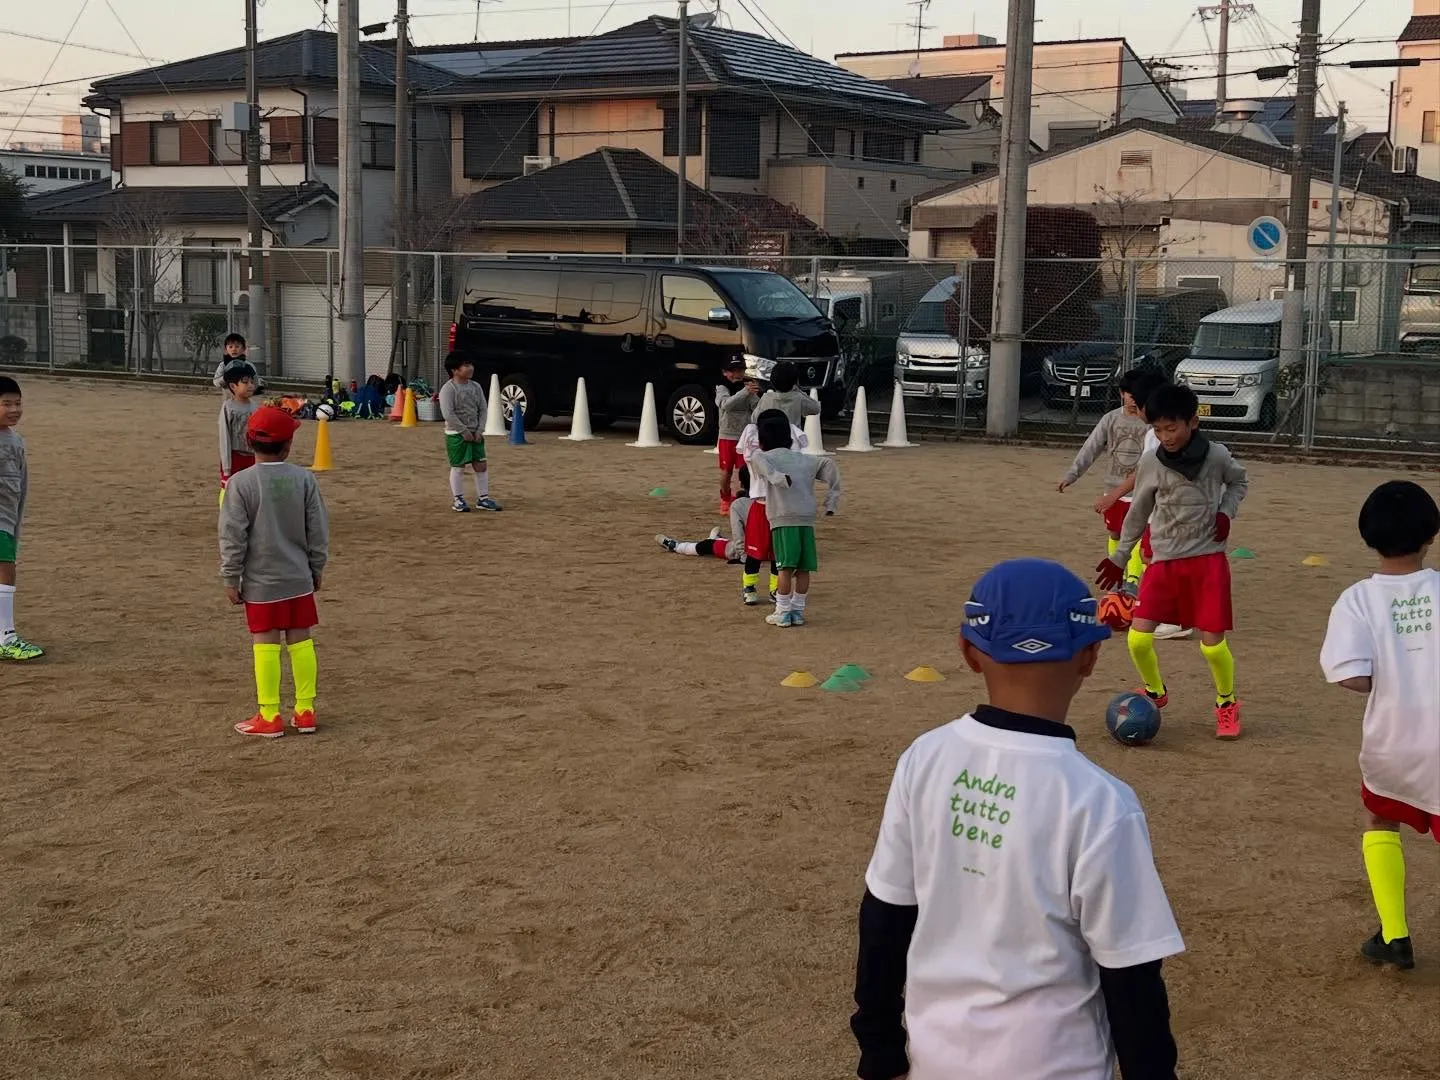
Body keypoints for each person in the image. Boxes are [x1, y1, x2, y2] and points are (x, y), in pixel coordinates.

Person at [853, 558, 1184, 1080]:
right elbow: (1132, 977)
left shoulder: (925, 758)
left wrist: (879, 1052)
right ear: (1091, 657)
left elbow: (884, 917)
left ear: (968, 652)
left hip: (933, 1058)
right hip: (1053, 1065)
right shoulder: (1101, 802)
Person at [1320, 480, 1440, 972]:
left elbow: (1350, 675)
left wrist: (1390, 672)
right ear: (1431, 535)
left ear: (1367, 537)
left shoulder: (1357, 600)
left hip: (1394, 745)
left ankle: (1394, 936)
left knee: (1380, 820)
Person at [1097, 383, 1249, 739]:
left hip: (1207, 562)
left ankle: (1226, 704)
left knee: (1212, 645)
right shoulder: (1151, 461)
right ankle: (1155, 691)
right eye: (1157, 429)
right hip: (1163, 561)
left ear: (1192, 422)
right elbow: (1139, 511)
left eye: (1172, 428)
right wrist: (1120, 556)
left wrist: (1226, 512)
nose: (1164, 436)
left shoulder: (1216, 456)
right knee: (1137, 640)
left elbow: (1239, 483)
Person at [219, 406, 329, 738]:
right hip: (298, 577)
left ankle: (269, 715)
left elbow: (232, 534)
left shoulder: (239, 484)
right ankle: (305, 711)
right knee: (301, 640)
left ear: (249, 442)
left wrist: (230, 575)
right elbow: (318, 530)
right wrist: (317, 566)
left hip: (260, 581)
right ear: (288, 445)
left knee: (264, 644)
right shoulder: (304, 478)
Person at [1058, 368, 1167, 591]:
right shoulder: (1111, 419)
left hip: (1141, 492)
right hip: (1114, 488)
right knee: (1117, 532)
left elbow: (1149, 467)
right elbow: (1092, 446)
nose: (1133, 401)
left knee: (1138, 534)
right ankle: (1118, 572)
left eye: (1138, 396)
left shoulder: (1153, 425)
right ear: (1122, 394)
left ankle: (1133, 580)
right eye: (1129, 394)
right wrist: (1073, 474)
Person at [747, 411, 842, 627]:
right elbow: (828, 464)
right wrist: (832, 500)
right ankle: (798, 611)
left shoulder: (764, 456)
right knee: (804, 568)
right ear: (790, 438)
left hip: (783, 518)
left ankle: (782, 611)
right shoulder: (806, 460)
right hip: (806, 518)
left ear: (762, 441)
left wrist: (778, 478)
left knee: (785, 567)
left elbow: (759, 462)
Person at [735, 410, 807, 606]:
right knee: (754, 554)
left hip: (779, 509)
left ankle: (775, 588)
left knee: (778, 554)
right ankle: (749, 586)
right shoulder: (756, 454)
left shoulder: (787, 455)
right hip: (762, 508)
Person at [0, 376, 42, 661]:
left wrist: (16, 523)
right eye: (6, 404)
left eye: (18, 403)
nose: (14, 409)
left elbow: (22, 484)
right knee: (6, 568)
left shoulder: (16, 440)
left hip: (7, 518)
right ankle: (6, 635)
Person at [438, 354, 501, 513]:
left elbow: (483, 409)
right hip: (456, 434)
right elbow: (448, 414)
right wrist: (464, 431)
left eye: (470, 364)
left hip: (476, 433)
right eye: (465, 365)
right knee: (458, 466)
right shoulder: (448, 389)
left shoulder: (476, 387)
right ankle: (458, 499)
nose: (470, 368)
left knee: (481, 465)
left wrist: (480, 429)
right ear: (454, 370)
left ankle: (483, 499)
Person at [218, 361, 261, 499]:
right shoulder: (228, 408)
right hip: (234, 458)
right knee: (231, 495)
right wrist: (226, 469)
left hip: (252, 458)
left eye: (251, 382)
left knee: (251, 493)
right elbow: (224, 438)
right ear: (233, 386)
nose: (250, 385)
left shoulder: (255, 408)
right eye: (245, 382)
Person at [716, 358, 754, 510]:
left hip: (744, 435)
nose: (737, 374)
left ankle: (743, 499)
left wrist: (757, 395)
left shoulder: (748, 386)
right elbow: (726, 405)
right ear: (725, 372)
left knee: (744, 470)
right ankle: (725, 499)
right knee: (727, 471)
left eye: (740, 370)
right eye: (733, 371)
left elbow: (756, 405)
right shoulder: (722, 387)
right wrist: (745, 392)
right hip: (727, 435)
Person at [753, 360, 821, 428]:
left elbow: (754, 419)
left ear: (772, 381)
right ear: (794, 382)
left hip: (771, 436)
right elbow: (816, 408)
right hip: (792, 437)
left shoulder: (766, 398)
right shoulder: (798, 398)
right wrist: (797, 389)